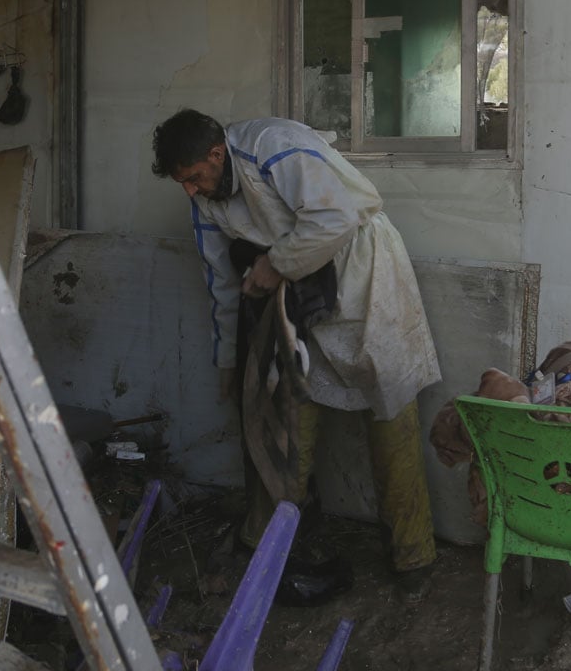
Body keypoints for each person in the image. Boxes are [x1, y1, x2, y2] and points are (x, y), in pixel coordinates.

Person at [151, 109, 442, 601]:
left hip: (366, 275)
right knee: (285, 418)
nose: (190, 190)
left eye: (194, 177)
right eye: (182, 182)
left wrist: (276, 263)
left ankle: (412, 556)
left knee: (392, 413)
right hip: (301, 295)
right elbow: (222, 286)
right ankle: (268, 546)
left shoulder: (271, 145)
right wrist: (228, 362)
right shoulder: (205, 204)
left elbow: (336, 217)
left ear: (217, 154)